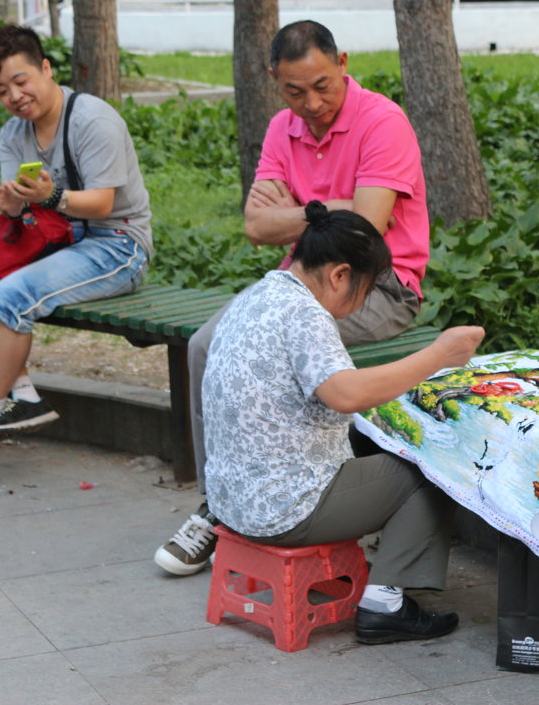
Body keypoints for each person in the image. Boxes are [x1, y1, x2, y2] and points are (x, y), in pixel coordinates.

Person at [154, 19, 430, 576]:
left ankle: (305, 491)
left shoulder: (383, 121)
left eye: (322, 85)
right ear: (275, 81)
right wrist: (322, 211)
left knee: (277, 358)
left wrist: (301, 209)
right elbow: (256, 227)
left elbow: (365, 230)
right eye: (294, 91)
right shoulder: (284, 127)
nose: (311, 103)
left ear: (343, 63)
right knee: (207, 343)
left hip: (377, 285)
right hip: (298, 283)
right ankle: (219, 504)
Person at [204, 201, 483, 643]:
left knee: (380, 448)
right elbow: (346, 393)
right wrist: (439, 356)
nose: (361, 302)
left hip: (231, 500)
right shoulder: (306, 314)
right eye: (366, 289)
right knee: (431, 464)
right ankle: (385, 605)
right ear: (339, 275)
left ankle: (374, 580)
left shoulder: (258, 295)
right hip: (283, 510)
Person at [0, 25, 152, 467]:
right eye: (2, 90)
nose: (15, 97)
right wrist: (14, 207)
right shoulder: (12, 135)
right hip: (57, 241)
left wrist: (49, 198)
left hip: (117, 245)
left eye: (21, 82)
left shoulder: (92, 120)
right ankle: (22, 394)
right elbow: (27, 213)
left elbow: (102, 203)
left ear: (46, 68)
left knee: (9, 296)